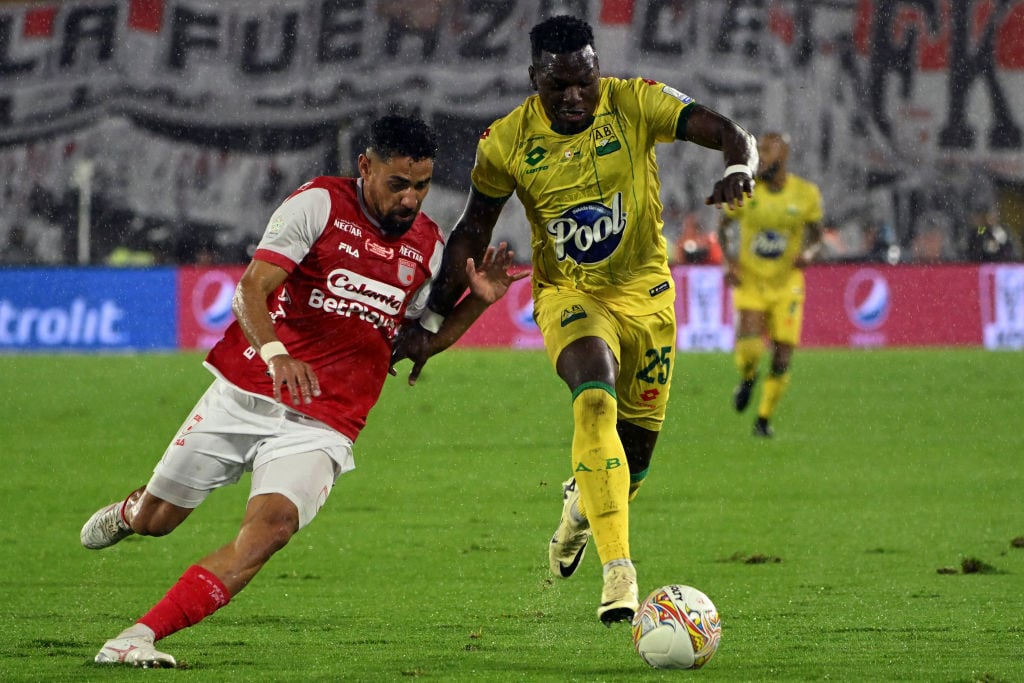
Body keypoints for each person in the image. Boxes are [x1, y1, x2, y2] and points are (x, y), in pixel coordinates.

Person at [80, 114, 524, 668]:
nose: (411, 199)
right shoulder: (318, 205)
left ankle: (138, 637)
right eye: (398, 184)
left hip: (326, 421)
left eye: (422, 186)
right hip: (246, 391)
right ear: (366, 167)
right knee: (158, 521)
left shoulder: (427, 248)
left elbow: (414, 343)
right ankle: (132, 511)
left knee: (271, 530)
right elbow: (250, 292)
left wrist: (478, 301)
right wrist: (277, 355)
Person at [390, 15, 757, 625]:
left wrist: (736, 167)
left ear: (596, 70)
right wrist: (431, 319)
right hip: (569, 294)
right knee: (593, 402)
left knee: (632, 464)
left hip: (647, 297)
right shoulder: (506, 142)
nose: (574, 97)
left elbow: (727, 130)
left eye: (584, 81)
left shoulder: (635, 102)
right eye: (558, 85)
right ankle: (621, 574)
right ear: (535, 77)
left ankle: (578, 511)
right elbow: (473, 230)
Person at [716, 132, 823, 438]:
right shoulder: (746, 190)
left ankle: (763, 420)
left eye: (767, 152)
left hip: (787, 283)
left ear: (784, 156)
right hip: (751, 280)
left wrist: (810, 252)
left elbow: (817, 232)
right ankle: (748, 377)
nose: (760, 158)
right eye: (758, 152)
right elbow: (724, 226)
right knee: (750, 347)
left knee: (782, 354)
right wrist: (729, 261)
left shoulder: (805, 194)